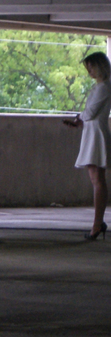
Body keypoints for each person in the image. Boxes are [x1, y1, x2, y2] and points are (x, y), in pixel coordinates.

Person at [65, 52, 111, 240]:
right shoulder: (101, 87)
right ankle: (97, 222)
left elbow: (90, 112)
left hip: (95, 134)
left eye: (91, 67)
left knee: (97, 179)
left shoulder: (103, 88)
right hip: (93, 132)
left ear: (99, 66)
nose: (89, 71)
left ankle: (97, 223)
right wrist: (80, 119)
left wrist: (79, 118)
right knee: (96, 178)